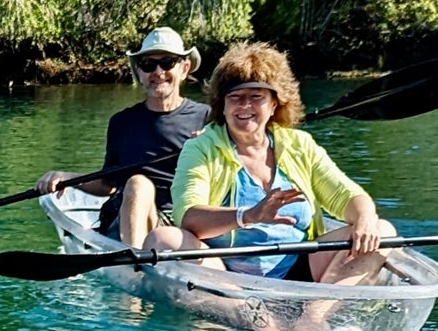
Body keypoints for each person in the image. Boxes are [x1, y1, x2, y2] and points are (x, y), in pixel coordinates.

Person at [150, 42, 389, 283]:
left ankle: (314, 318)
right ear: (222, 105)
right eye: (235, 97)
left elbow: (347, 196)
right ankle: (250, 314)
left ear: (274, 104)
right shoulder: (201, 147)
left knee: (382, 230)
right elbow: (189, 217)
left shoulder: (300, 144)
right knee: (163, 239)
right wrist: (249, 215)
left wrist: (365, 218)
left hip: (299, 269)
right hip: (225, 275)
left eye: (256, 97)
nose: (245, 106)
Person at [36, 27, 208, 245]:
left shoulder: (208, 119)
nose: (157, 72)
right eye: (148, 65)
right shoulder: (122, 122)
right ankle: (133, 259)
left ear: (184, 69)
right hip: (125, 217)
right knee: (138, 184)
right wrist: (67, 178)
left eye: (167, 63)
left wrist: (210, 145)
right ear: (138, 72)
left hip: (181, 224)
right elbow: (108, 183)